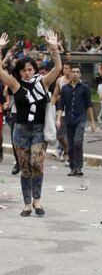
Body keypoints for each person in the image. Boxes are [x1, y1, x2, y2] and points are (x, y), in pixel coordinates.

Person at [0, 31, 62, 217]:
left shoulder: (42, 83)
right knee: (25, 167)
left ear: (34, 69)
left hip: (38, 129)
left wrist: (53, 48)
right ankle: (28, 204)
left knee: (37, 162)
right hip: (20, 130)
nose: (27, 73)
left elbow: (58, 68)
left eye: (30, 69)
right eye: (23, 70)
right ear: (19, 72)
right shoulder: (15, 84)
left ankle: (38, 200)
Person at [57, 65, 96, 176]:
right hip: (68, 119)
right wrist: (58, 119)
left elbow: (89, 105)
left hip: (80, 118)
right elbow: (61, 105)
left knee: (78, 141)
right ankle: (73, 167)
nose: (75, 74)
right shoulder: (65, 88)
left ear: (80, 74)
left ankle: (79, 167)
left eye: (77, 72)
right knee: (70, 144)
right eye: (73, 72)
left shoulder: (84, 87)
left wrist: (93, 122)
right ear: (70, 73)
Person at [51, 60, 71, 163]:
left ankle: (67, 154)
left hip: (72, 112)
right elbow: (55, 95)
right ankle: (66, 149)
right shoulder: (59, 80)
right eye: (64, 68)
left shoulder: (75, 81)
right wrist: (50, 106)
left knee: (69, 134)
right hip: (61, 111)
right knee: (58, 134)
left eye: (67, 68)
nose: (64, 70)